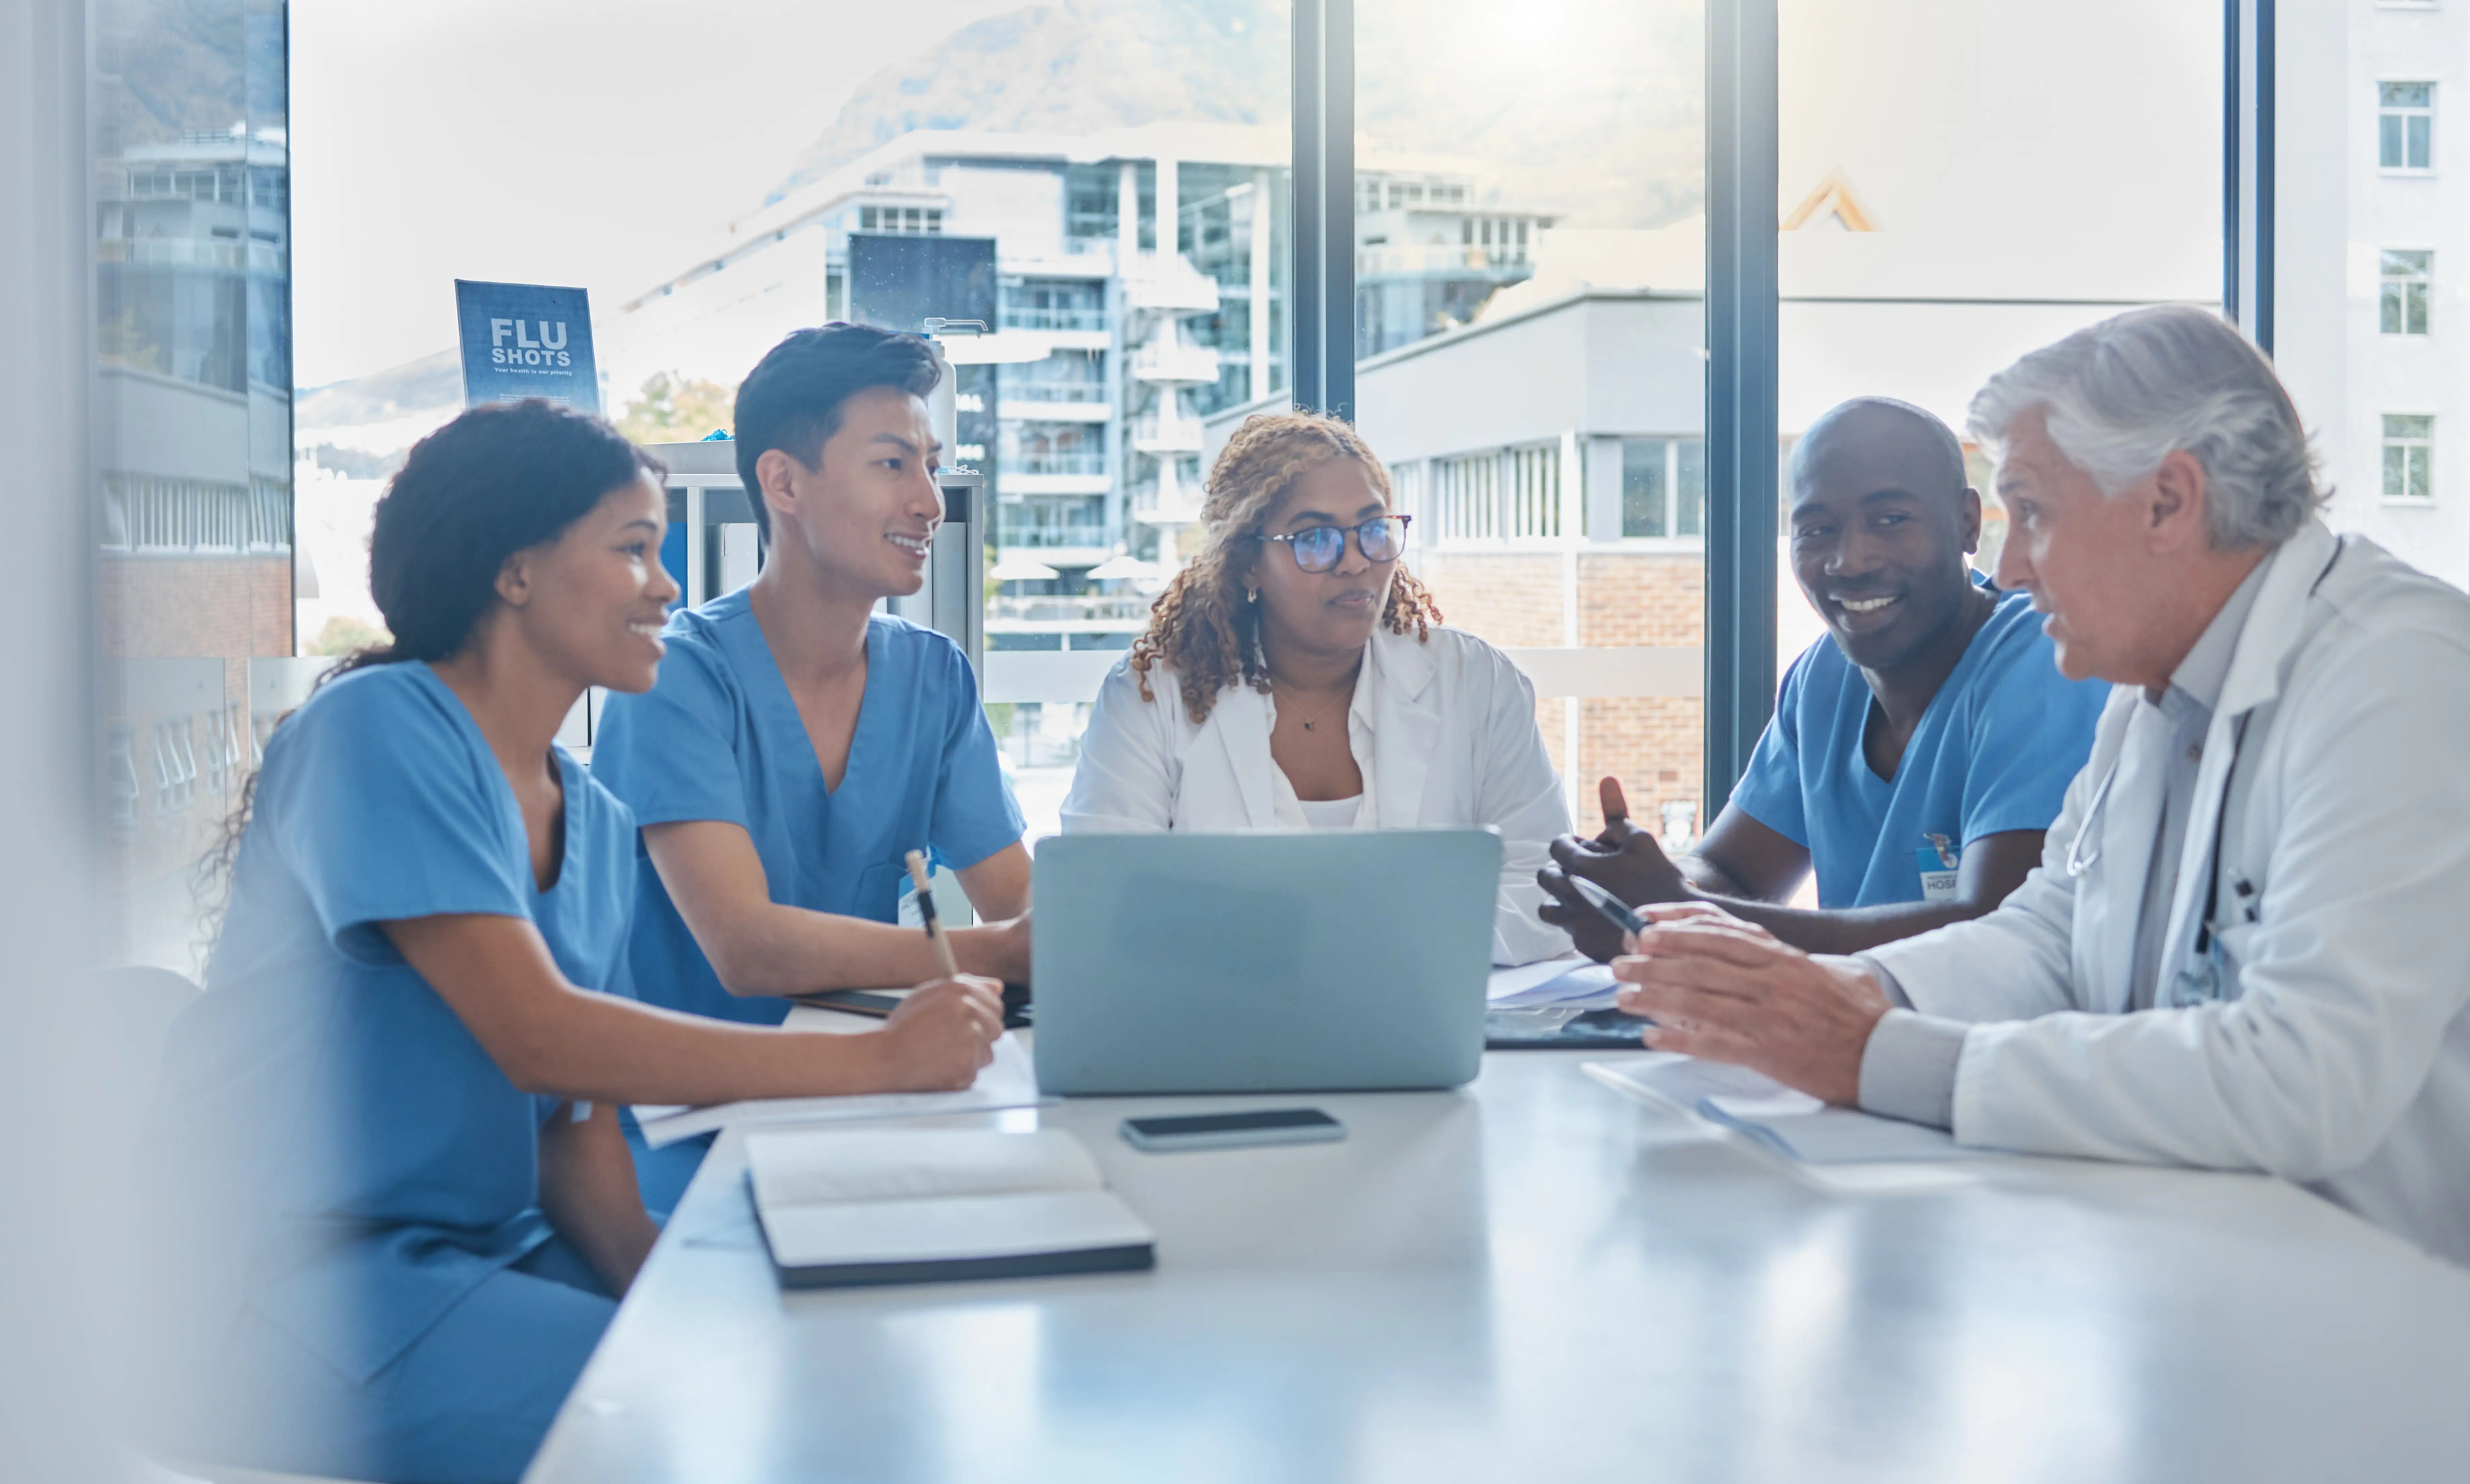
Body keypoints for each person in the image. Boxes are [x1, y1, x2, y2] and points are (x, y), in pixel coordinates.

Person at [141, 402, 1004, 1484]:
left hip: (490, 1250)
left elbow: (575, 1138)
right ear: (515, 571)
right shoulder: (378, 728)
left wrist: (674, 1294)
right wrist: (875, 1062)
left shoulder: (590, 818)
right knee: (707, 1424)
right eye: (634, 550)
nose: (668, 586)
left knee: (812, 1360)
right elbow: (541, 1037)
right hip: (297, 1291)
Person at [1608, 306, 2470, 1266]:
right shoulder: (2151, 695)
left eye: (2035, 512)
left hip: (2390, 1312)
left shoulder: (2398, 672)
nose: (2010, 564)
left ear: (2168, 502)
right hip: (2201, 1264)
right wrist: (1831, 994)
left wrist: (1878, 1051)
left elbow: (2307, 1078)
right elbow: (2046, 935)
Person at [1538, 397, 2108, 960]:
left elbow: (1993, 937)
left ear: (1967, 523)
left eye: (1891, 520)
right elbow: (1731, 870)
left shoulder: (2046, 658)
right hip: (1844, 1035)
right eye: (1817, 529)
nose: (1850, 560)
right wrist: (1640, 887)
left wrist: (1677, 917)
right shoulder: (1826, 675)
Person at [590, 324, 1031, 1039]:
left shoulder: (933, 679)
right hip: (688, 1116)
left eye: (931, 465)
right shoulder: (676, 680)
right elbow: (747, 949)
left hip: (862, 1095)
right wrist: (994, 952)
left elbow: (1020, 901)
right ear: (784, 482)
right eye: (893, 464)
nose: (930, 503)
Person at [1063, 410, 1573, 965]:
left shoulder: (1479, 683)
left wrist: (1381, 944)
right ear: (1248, 563)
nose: (1354, 562)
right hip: (1219, 1029)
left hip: (1423, 1020)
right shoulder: (1149, 697)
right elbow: (1101, 901)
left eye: (1374, 530)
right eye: (1315, 539)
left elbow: (1546, 886)